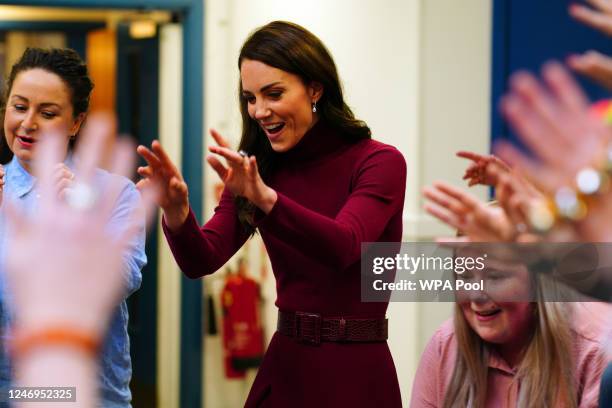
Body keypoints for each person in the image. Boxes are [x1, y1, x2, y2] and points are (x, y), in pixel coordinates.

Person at [137, 20, 406, 407]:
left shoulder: (379, 162)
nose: (259, 111)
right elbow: (203, 258)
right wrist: (178, 213)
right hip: (286, 367)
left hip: (355, 370)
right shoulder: (257, 170)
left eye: (273, 93)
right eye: (250, 98)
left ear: (315, 88)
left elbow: (345, 246)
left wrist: (267, 200)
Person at [0, 48, 146, 408]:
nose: (28, 123)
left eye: (47, 113)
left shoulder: (114, 193)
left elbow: (123, 278)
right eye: (19, 106)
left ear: (77, 122)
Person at [410, 257, 608, 408]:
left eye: (495, 277)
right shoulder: (445, 343)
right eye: (464, 276)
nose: (475, 295)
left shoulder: (593, 348)